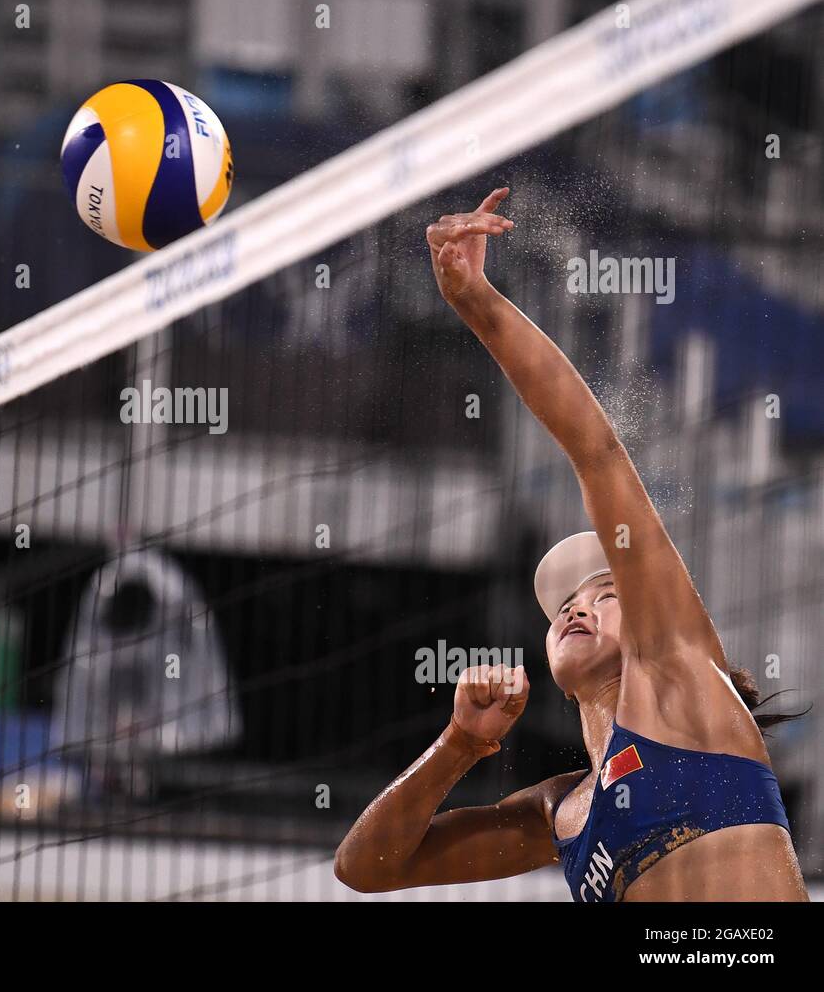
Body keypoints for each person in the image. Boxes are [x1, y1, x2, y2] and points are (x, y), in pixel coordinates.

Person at [334, 188, 809, 902]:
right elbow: (366, 870)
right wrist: (461, 745)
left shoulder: (679, 676)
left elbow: (597, 452)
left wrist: (476, 302)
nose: (575, 610)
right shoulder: (561, 810)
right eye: (565, 606)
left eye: (605, 594)